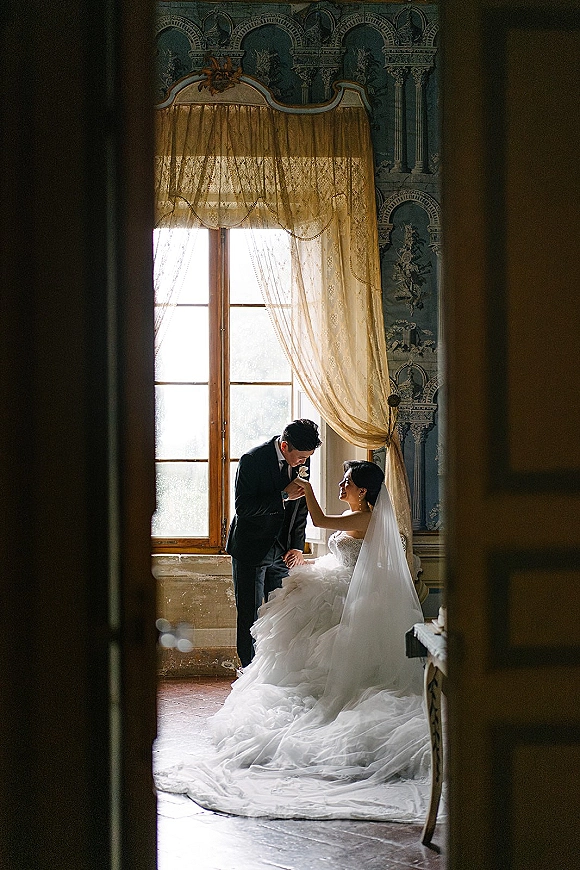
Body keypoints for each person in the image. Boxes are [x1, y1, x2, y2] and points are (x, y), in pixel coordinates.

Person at [155, 460, 436, 822]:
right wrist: (307, 558)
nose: (341, 486)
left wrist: (308, 492)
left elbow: (320, 523)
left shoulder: (367, 519)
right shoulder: (358, 517)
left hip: (355, 595)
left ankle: (331, 701)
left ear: (363, 491)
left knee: (322, 646)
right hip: (340, 581)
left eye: (346, 482)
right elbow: (343, 553)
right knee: (298, 638)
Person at [226, 419, 322, 668]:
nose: (303, 462)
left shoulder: (301, 460)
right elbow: (243, 508)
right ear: (284, 445)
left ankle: (269, 671)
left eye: (307, 457)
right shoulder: (252, 460)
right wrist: (282, 495)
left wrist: (297, 546)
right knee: (251, 615)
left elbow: (300, 508)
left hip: (283, 552)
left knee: (279, 615)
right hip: (251, 549)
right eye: (300, 456)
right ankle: (248, 674)